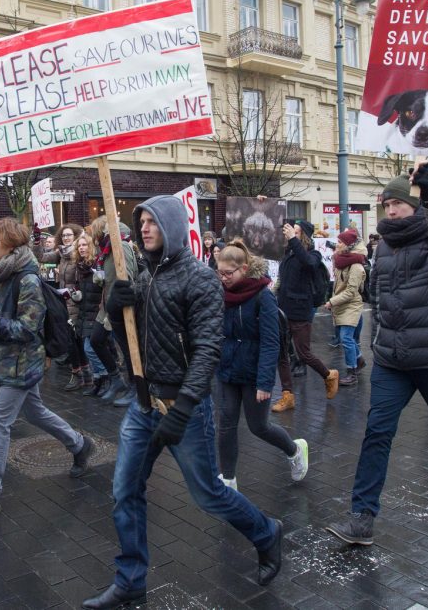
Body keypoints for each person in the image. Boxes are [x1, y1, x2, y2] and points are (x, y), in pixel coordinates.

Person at [81, 196, 283, 609]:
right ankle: (131, 577)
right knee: (125, 490)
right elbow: (129, 346)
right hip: (142, 404)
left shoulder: (200, 279)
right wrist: (118, 313)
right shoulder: (141, 278)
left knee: (208, 494)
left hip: (182, 407)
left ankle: (267, 533)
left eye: (153, 222)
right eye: (141, 223)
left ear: (172, 226)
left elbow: (208, 349)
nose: (145, 229)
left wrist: (186, 407)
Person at [325, 164, 428, 546]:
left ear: (415, 205)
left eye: (398, 203)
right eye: (387, 204)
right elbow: (379, 297)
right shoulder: (385, 246)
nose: (391, 210)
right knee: (377, 432)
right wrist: (380, 338)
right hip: (393, 359)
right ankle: (362, 518)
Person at [0, 218, 94, 518]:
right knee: (34, 411)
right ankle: (79, 445)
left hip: (23, 361)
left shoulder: (26, 278)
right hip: (10, 359)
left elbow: (27, 328)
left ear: (13, 244)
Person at [215, 240, 308, 491]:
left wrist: (265, 382)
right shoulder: (220, 293)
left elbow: (270, 343)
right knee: (225, 424)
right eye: (219, 272)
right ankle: (228, 480)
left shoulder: (262, 295)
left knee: (259, 427)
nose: (223, 278)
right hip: (227, 370)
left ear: (244, 269)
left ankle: (295, 449)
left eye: (228, 273)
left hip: (254, 373)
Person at [272, 219, 339, 412]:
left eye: (297, 232)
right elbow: (280, 220)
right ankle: (287, 394)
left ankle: (328, 375)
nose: (291, 234)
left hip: (300, 310)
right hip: (283, 309)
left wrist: (293, 240)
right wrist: (264, 202)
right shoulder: (289, 254)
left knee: (303, 353)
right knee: (282, 353)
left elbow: (308, 263)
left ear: (305, 236)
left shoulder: (313, 254)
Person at [35, 223, 91, 390]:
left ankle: (81, 374)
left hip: (76, 300)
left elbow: (85, 273)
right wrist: (37, 241)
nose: (66, 238)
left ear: (75, 237)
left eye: (69, 235)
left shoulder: (78, 253)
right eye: (64, 235)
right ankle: (82, 374)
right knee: (71, 338)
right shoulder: (61, 253)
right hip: (63, 300)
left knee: (74, 338)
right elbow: (42, 258)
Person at [89, 216, 138, 407]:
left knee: (128, 349)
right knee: (96, 339)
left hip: (120, 305)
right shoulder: (106, 249)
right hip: (107, 303)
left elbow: (128, 275)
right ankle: (116, 379)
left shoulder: (120, 245)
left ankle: (136, 387)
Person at [325, 229, 366, 386]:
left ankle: (352, 373)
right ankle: (359, 360)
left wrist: (332, 301)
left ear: (348, 245)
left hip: (351, 305)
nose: (338, 244)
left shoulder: (355, 266)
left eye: (341, 242)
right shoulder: (341, 261)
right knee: (347, 338)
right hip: (342, 305)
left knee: (346, 338)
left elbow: (350, 292)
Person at [73, 233, 110, 397]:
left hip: (97, 312)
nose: (81, 248)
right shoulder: (80, 267)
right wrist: (76, 295)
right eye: (79, 246)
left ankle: (106, 377)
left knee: (90, 348)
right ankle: (98, 381)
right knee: (89, 348)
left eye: (84, 245)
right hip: (84, 311)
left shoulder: (98, 264)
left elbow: (104, 288)